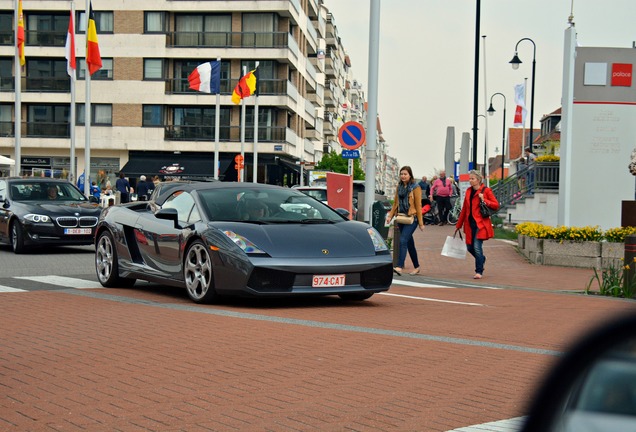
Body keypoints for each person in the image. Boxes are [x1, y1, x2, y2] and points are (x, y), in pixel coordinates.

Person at [454, 170, 499, 280]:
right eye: (469, 178)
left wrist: (484, 200)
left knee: (477, 247)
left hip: (481, 224)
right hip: (470, 224)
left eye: (472, 178)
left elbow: (496, 205)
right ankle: (481, 259)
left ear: (478, 180)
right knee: (469, 247)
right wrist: (458, 225)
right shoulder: (469, 191)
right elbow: (464, 209)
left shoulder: (486, 191)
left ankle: (479, 271)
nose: (470, 180)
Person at [386, 166, 424, 276]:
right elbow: (395, 203)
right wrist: (390, 216)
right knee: (409, 243)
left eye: (405, 174)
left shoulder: (415, 187)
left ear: (410, 175)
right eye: (401, 174)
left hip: (412, 219)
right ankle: (417, 267)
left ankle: (399, 266)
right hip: (401, 217)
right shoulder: (399, 186)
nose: (403, 176)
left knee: (403, 240)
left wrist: (421, 223)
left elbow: (418, 205)